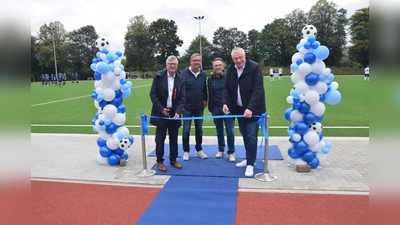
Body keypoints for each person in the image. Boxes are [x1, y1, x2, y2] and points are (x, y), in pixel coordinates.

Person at [222, 47, 266, 177]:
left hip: (254, 110)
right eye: (236, 58)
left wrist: (250, 108)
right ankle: (248, 158)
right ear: (232, 59)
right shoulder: (231, 69)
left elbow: (258, 90)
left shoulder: (254, 67)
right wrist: (225, 103)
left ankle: (251, 164)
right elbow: (226, 88)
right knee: (245, 135)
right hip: (239, 110)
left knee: (252, 136)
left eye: (240, 57)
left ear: (245, 56)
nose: (238, 60)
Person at [149, 55, 186, 172]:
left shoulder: (180, 78)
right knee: (160, 139)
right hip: (161, 113)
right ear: (166, 65)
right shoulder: (158, 77)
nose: (172, 66)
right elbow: (153, 95)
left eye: (174, 64)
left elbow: (182, 98)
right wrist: (161, 109)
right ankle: (159, 161)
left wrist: (178, 112)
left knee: (174, 138)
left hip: (174, 113)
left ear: (177, 66)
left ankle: (173, 159)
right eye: (170, 64)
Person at [207, 57, 235, 162]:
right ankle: (221, 150)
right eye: (216, 65)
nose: (218, 67)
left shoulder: (229, 77)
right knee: (219, 131)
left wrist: (229, 105)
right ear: (213, 67)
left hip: (228, 108)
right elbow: (209, 93)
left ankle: (231, 152)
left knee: (230, 131)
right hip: (216, 108)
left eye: (219, 65)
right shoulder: (210, 79)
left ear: (223, 66)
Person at [181, 53, 208, 161]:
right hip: (187, 107)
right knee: (186, 130)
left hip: (199, 107)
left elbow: (204, 89)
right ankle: (186, 151)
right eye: (194, 60)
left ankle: (198, 150)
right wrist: (181, 104)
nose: (196, 62)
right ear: (190, 62)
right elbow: (180, 91)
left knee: (199, 129)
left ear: (201, 62)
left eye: (198, 60)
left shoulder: (203, 74)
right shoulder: (183, 73)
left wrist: (205, 100)